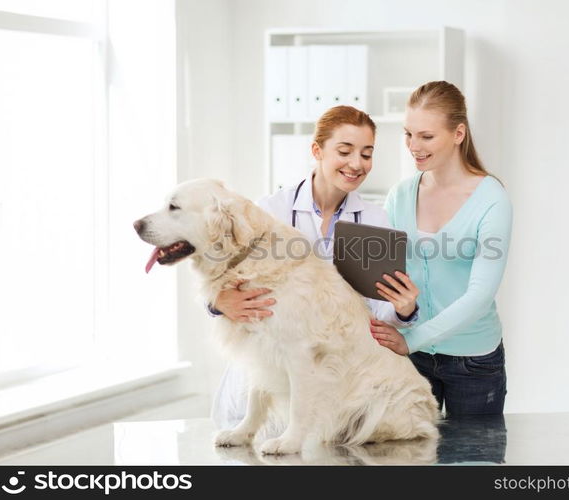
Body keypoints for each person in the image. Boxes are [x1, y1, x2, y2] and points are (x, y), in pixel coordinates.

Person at [210, 105, 420, 428]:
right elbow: (217, 273)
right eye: (345, 151)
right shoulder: (270, 210)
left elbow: (378, 311)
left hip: (331, 378)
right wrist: (217, 303)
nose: (356, 164)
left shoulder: (376, 221)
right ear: (317, 150)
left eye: (367, 154)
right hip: (267, 375)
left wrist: (403, 310)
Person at [371, 81, 513, 416]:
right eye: (408, 134)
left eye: (426, 136)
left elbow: (479, 297)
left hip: (474, 361)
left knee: (473, 461)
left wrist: (413, 339)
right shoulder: (400, 195)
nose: (413, 146)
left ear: (458, 134)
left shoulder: (492, 200)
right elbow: (381, 274)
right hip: (412, 359)